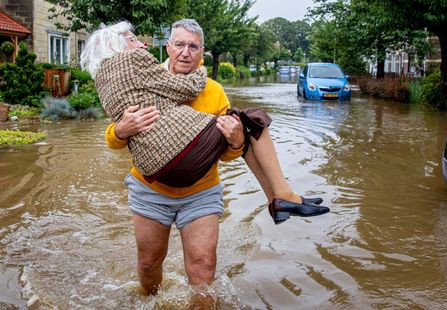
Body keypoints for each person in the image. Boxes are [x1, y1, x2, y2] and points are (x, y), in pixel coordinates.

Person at [88, 20, 328, 296]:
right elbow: (112, 137)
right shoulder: (141, 74)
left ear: (202, 52)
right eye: (179, 44)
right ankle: (148, 301)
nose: (185, 52)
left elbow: (226, 155)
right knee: (148, 264)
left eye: (193, 46)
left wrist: (236, 142)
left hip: (200, 192)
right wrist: (120, 130)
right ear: (167, 47)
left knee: (203, 267)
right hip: (150, 191)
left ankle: (281, 196)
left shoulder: (213, 90)